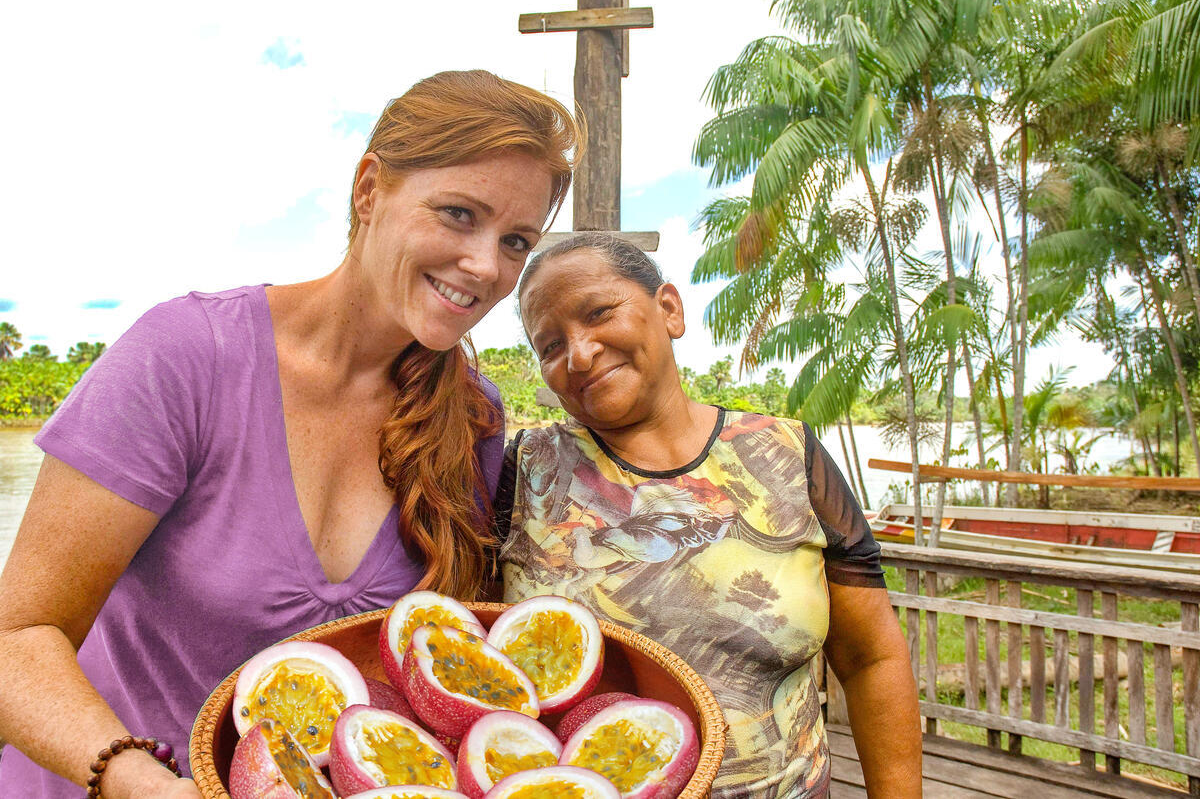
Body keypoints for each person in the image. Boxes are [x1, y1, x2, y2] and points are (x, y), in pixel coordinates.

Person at [0, 70, 582, 797]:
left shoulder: (473, 418)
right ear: (370, 189)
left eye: (516, 240)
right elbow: (17, 639)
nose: (485, 266)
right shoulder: (187, 357)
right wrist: (139, 779)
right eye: (460, 214)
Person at [495, 232, 922, 798]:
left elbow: (872, 660)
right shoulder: (526, 471)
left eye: (599, 313)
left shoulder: (785, 457)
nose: (578, 355)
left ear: (668, 309)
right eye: (549, 346)